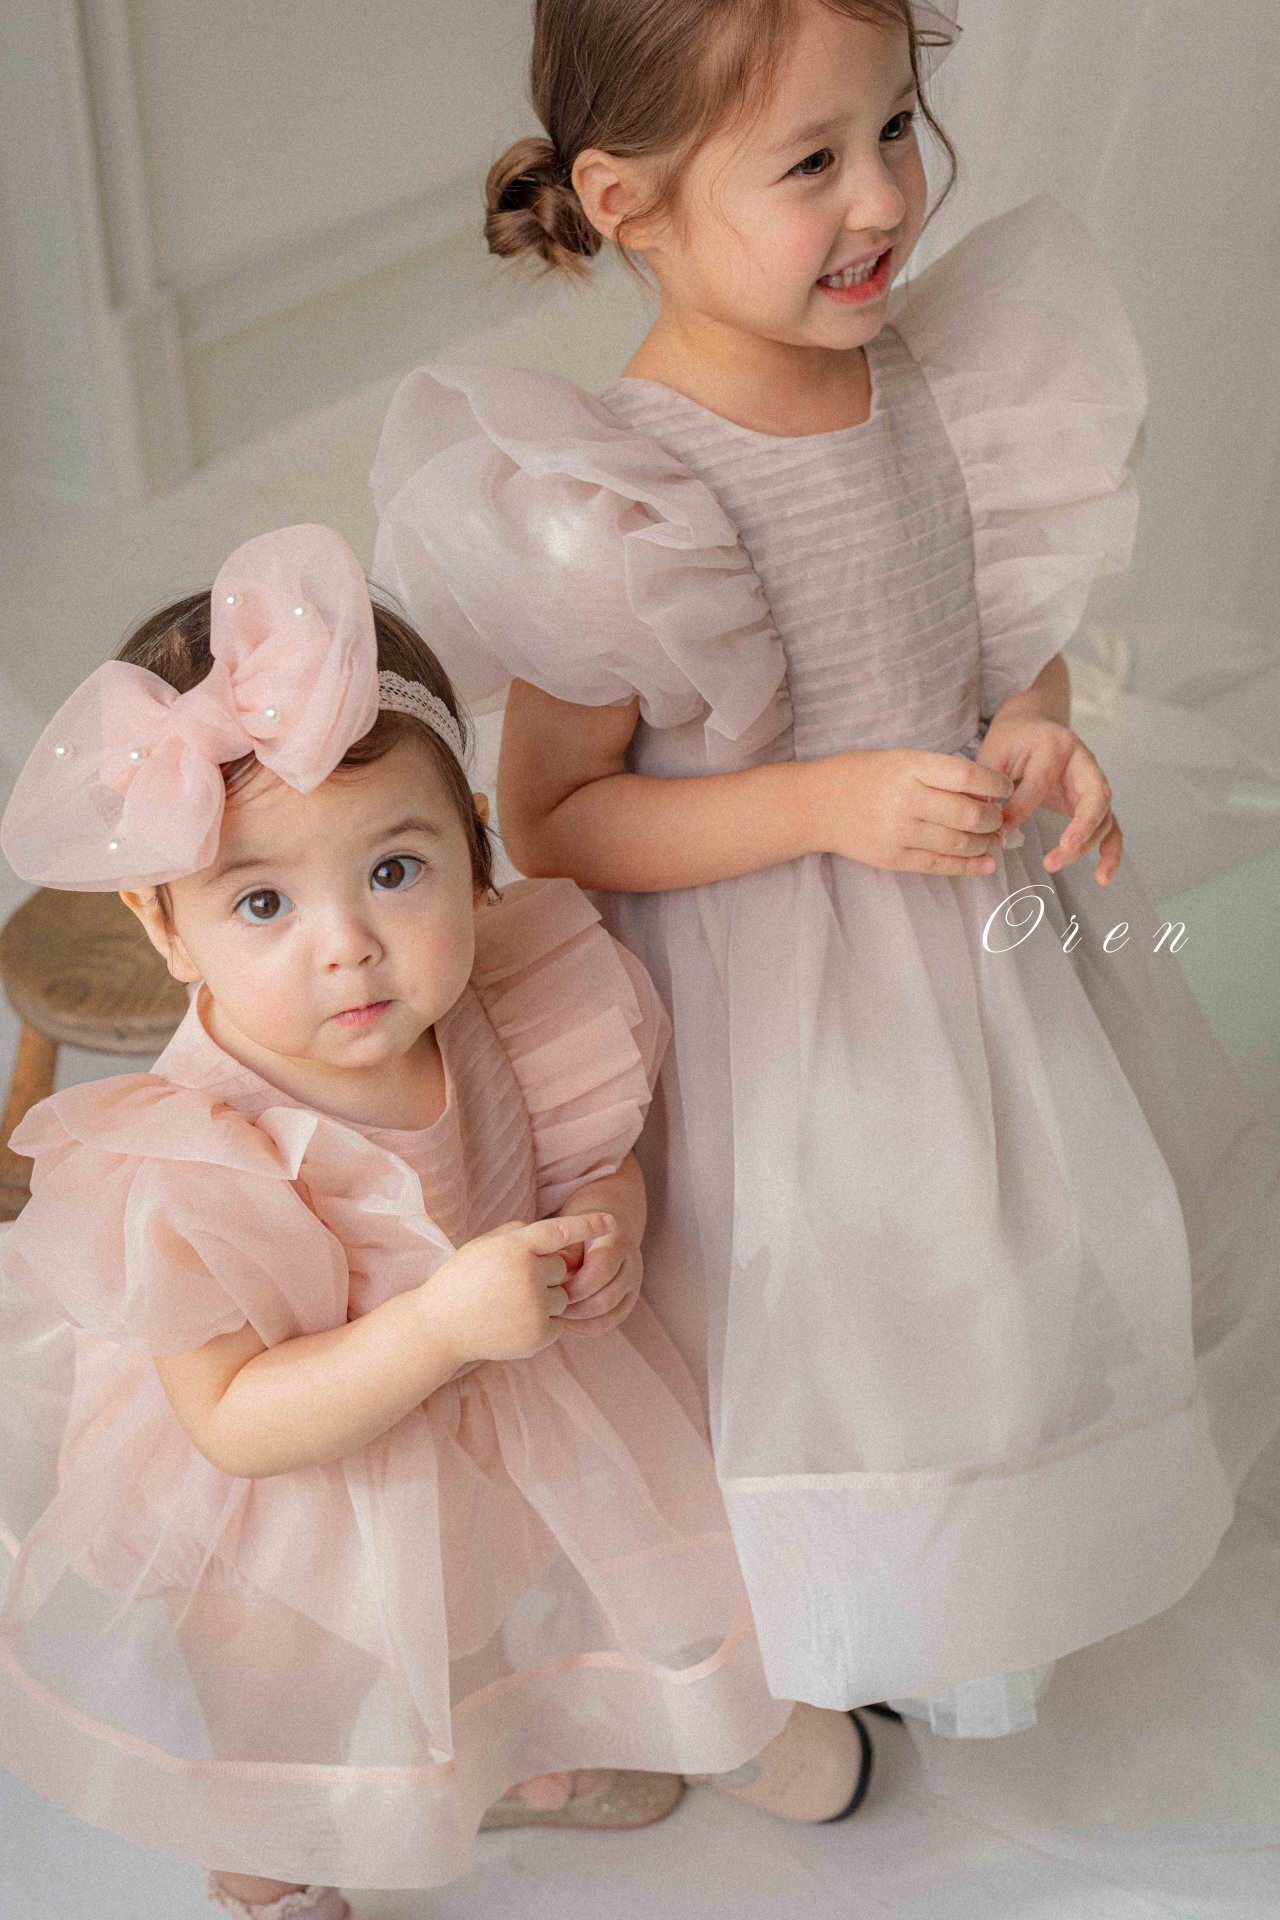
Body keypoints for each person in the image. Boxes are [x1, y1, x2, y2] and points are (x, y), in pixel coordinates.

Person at [370, 0, 1280, 1741]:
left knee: (979, 1269)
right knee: (806, 1310)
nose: (880, 198)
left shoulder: (943, 385)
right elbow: (552, 816)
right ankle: (799, 1624)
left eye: (895, 129)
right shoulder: (620, 494)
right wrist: (824, 806)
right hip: (762, 1007)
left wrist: (1036, 733)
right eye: (810, 163)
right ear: (627, 203)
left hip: (976, 938)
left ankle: (969, 1584)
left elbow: (997, 639)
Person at [0, 525, 879, 1920]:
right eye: (263, 901)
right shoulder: (185, 1157)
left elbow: (585, 1153)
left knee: (547, 1584)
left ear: (473, 851)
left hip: (507, 1404)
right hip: (298, 1504)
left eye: (395, 871)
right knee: (286, 1714)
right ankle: (273, 1881)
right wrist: (437, 1327)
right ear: (165, 927)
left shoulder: (512, 1001)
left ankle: (591, 1739)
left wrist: (606, 1217)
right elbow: (230, 1418)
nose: (346, 942)